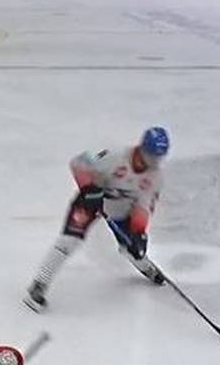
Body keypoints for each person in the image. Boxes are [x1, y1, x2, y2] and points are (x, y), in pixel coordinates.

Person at [24, 127, 169, 313]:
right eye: (150, 156)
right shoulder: (115, 156)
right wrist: (88, 188)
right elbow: (79, 163)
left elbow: (143, 207)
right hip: (91, 200)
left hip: (121, 207)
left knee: (133, 246)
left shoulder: (155, 177)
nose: (153, 162)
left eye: (158, 158)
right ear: (142, 148)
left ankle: (144, 264)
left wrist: (138, 232)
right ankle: (39, 284)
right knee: (69, 241)